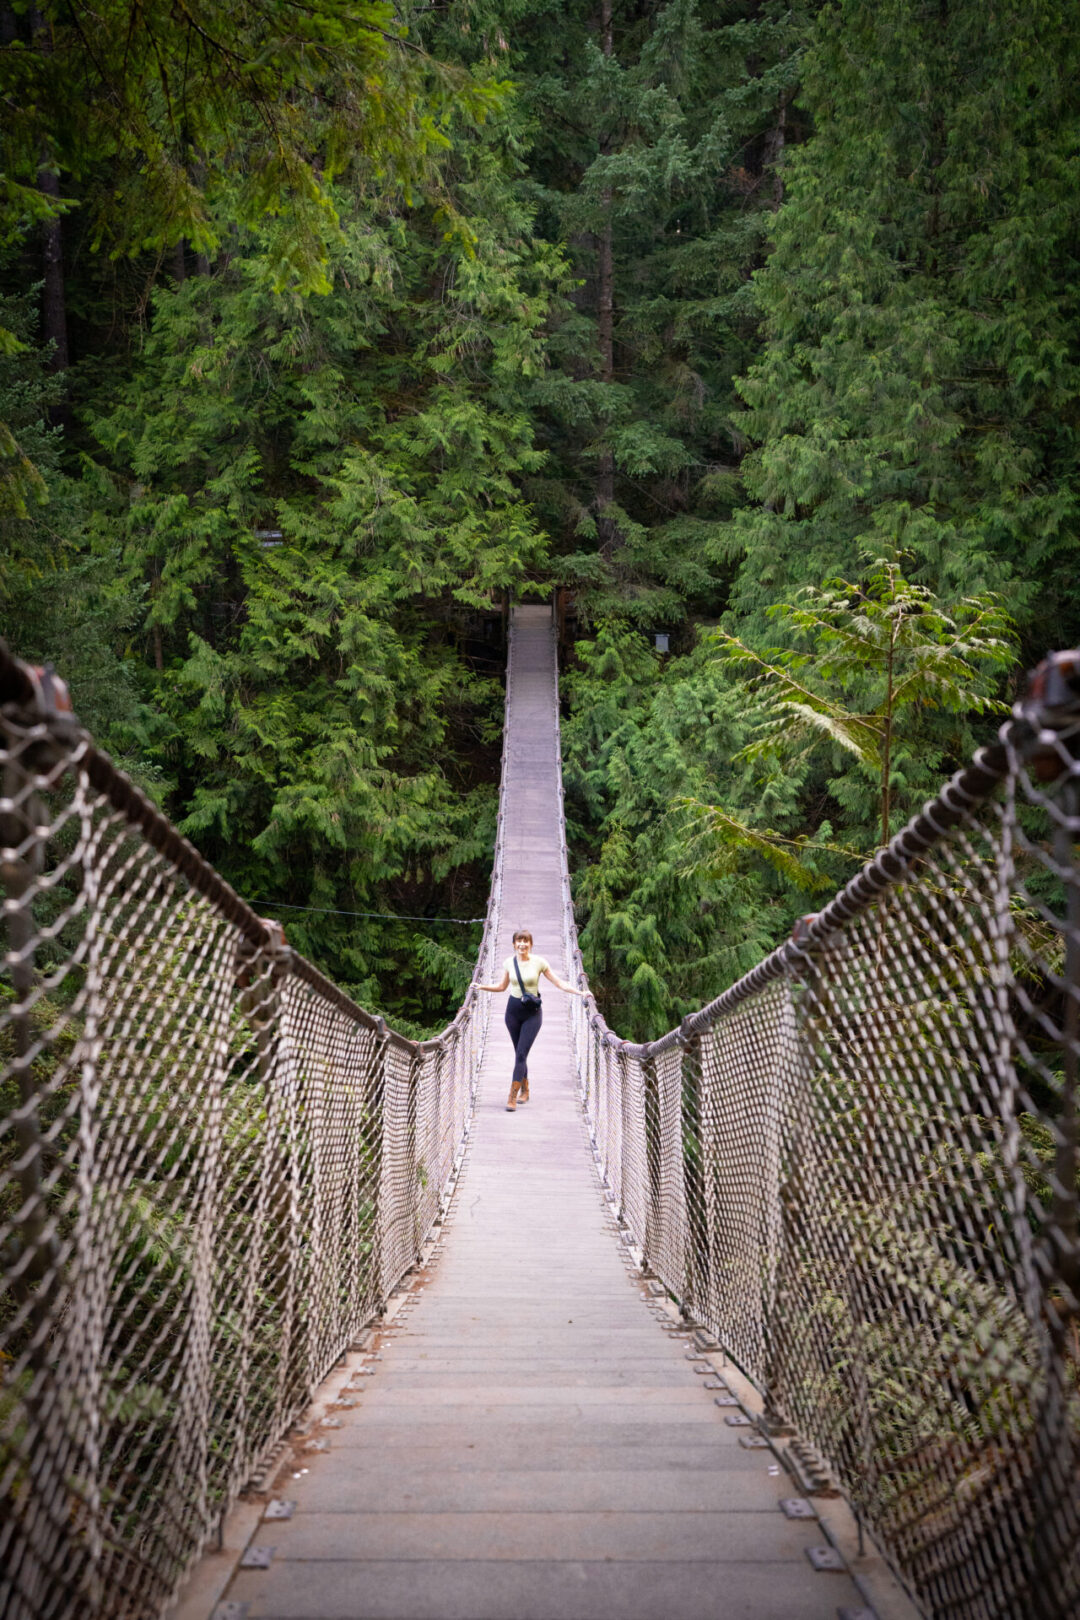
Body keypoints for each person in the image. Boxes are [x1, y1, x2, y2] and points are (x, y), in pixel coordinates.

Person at [477, 929, 584, 1111]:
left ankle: (512, 1097)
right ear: (514, 944)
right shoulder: (509, 963)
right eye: (519, 941)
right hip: (512, 1013)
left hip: (532, 1014)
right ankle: (525, 1089)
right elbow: (502, 987)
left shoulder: (539, 963)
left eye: (526, 941)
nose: (522, 944)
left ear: (531, 944)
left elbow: (559, 982)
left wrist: (580, 992)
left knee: (520, 1054)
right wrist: (481, 986)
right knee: (520, 1053)